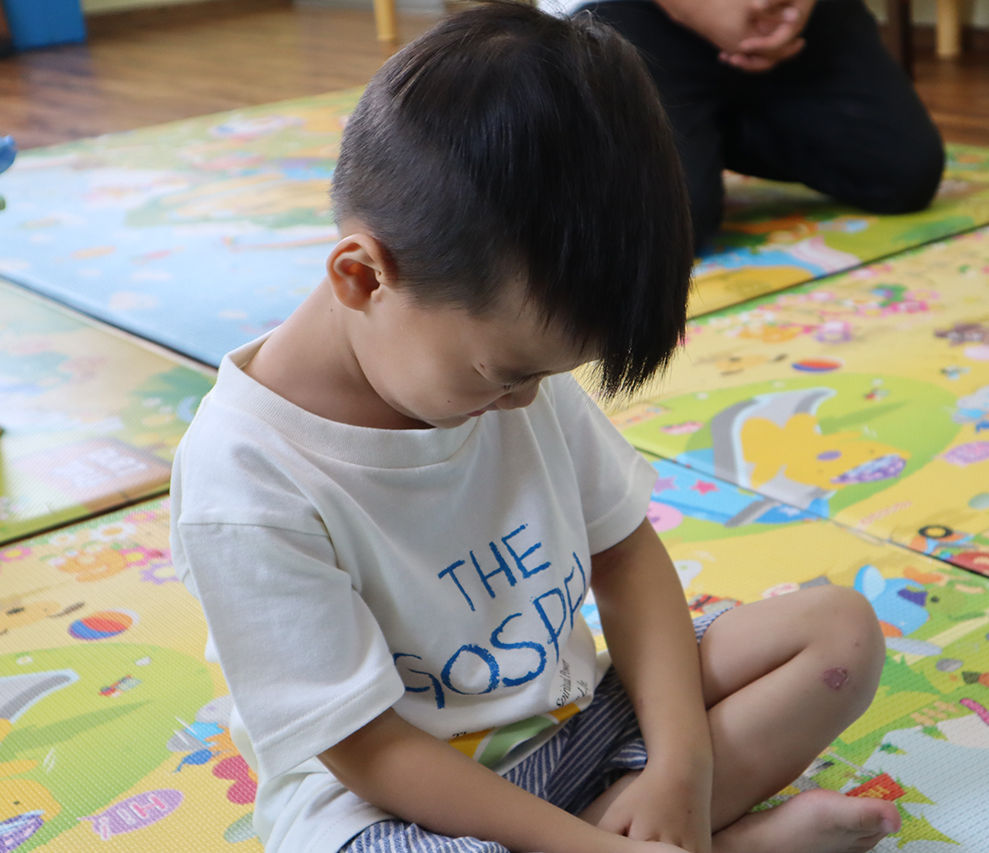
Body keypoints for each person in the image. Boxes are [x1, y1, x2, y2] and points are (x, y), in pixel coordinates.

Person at [169, 4, 899, 853]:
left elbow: (625, 557)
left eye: (546, 376)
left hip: (576, 719)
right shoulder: (244, 480)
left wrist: (681, 764)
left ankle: (671, 824)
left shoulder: (509, 372)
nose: (526, 402)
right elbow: (367, 748)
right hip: (394, 800)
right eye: (507, 374)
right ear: (363, 278)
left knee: (839, 632)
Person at [540, 0, 947, 251]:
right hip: (630, 10)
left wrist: (792, 8)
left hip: (799, 18)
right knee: (671, 225)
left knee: (905, 170)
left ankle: (705, 128)